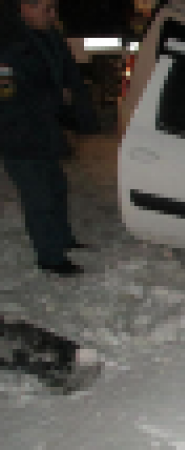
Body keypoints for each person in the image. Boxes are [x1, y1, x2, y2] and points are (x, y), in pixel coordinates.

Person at [0, 0, 98, 276]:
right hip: (18, 136)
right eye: (47, 9)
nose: (53, 15)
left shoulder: (49, 36)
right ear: (25, 8)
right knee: (39, 198)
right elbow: (6, 97)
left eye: (54, 8)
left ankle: (62, 238)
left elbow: (67, 76)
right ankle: (50, 258)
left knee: (56, 187)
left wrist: (77, 115)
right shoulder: (6, 43)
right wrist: (55, 97)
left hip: (45, 130)